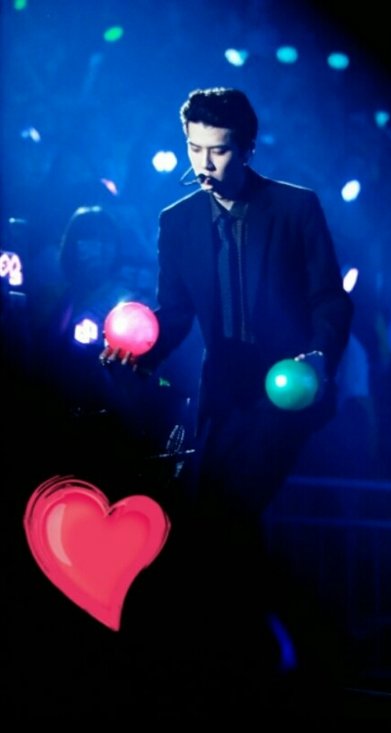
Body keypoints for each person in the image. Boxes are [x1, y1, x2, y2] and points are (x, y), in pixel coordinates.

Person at [101, 87, 354, 718]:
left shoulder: (296, 208)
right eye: (194, 149)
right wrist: (139, 353)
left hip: (285, 395)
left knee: (227, 514)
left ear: (246, 148)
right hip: (222, 397)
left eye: (217, 150)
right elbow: (175, 316)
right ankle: (260, 659)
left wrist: (319, 357)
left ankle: (253, 659)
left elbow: (330, 298)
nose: (204, 163)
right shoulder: (177, 221)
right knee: (216, 525)